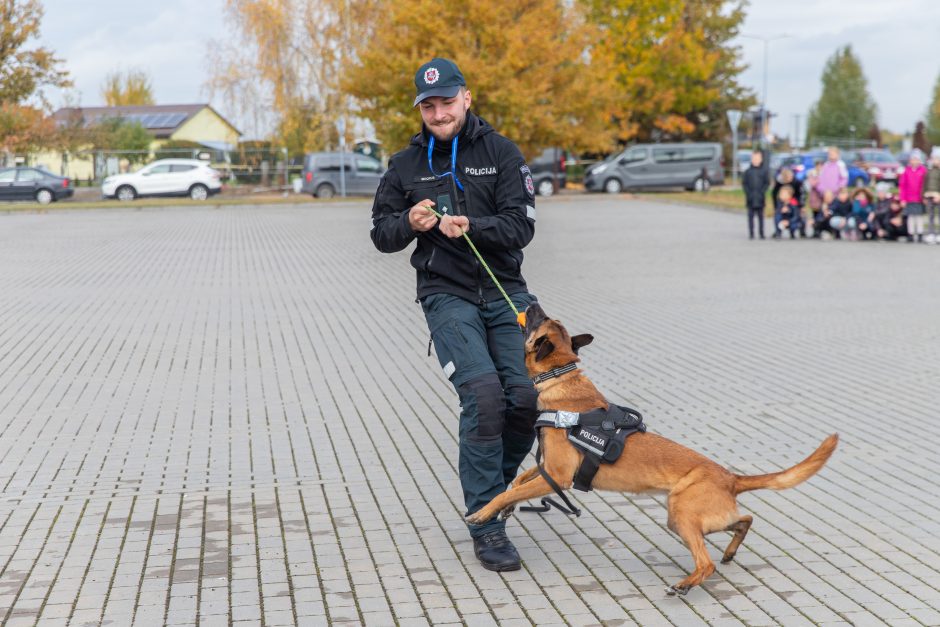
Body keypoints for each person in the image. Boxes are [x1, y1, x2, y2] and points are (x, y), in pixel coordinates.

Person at [369, 58, 539, 572]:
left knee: (527, 399)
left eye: (446, 101)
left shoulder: (503, 153)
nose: (438, 112)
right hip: (447, 295)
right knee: (485, 396)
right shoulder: (403, 166)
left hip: (507, 291)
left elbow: (521, 227)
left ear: (466, 98)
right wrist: (410, 221)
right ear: (420, 110)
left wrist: (474, 226)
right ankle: (485, 521)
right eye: (429, 105)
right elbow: (380, 234)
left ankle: (496, 491)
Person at [899, 148, 928, 242]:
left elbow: (925, 185)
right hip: (909, 198)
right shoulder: (906, 171)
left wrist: (924, 197)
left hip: (919, 198)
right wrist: (902, 199)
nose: (915, 161)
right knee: (910, 217)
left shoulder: (923, 171)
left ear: (920, 160)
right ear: (910, 160)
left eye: (917, 159)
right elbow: (903, 186)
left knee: (919, 217)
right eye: (913, 159)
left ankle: (920, 233)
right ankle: (911, 234)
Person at [742, 150, 769, 239]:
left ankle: (761, 233)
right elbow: (744, 184)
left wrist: (762, 192)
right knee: (750, 217)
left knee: (761, 217)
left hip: (760, 198)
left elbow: (766, 183)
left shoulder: (764, 171)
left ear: (761, 159)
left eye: (757, 158)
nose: (756, 160)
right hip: (750, 198)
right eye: (754, 158)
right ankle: (751, 233)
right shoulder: (748, 172)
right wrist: (748, 193)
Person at [924, 147, 940, 244]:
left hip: (938, 197)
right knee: (931, 215)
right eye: (934, 159)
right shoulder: (929, 171)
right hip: (929, 195)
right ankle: (931, 234)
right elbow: (925, 184)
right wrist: (924, 196)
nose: (936, 161)